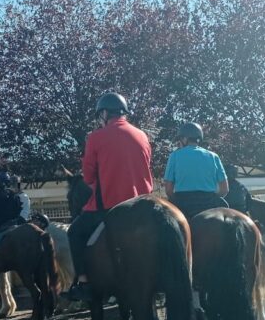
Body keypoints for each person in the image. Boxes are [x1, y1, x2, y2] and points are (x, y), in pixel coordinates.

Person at [64, 92, 154, 301]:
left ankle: (84, 282)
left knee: (74, 233)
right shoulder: (142, 135)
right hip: (143, 205)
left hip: (110, 206)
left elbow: (87, 177)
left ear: (104, 113)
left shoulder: (96, 137)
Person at [163, 122, 229, 221]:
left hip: (183, 203)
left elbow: (168, 190)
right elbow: (224, 189)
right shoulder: (213, 156)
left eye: (180, 139)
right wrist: (211, 198)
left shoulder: (175, 156)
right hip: (209, 203)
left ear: (185, 138)